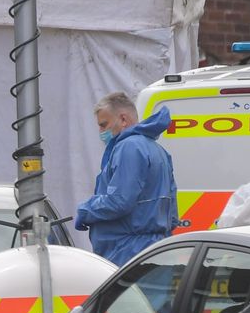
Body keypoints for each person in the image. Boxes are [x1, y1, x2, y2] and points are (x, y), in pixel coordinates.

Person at [73, 92, 179, 267]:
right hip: (154, 251)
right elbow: (172, 214)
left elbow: (119, 201)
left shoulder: (128, 147)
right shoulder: (157, 150)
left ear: (123, 119)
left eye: (103, 125)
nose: (101, 132)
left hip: (127, 254)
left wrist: (85, 210)